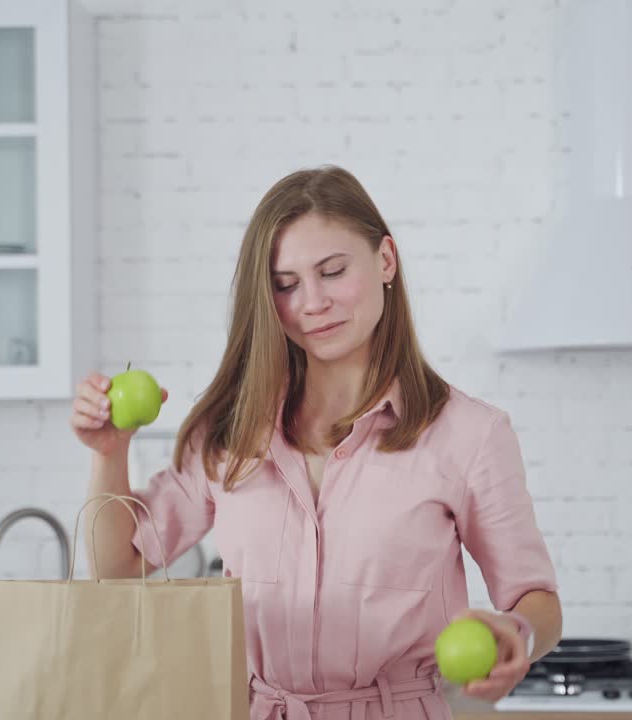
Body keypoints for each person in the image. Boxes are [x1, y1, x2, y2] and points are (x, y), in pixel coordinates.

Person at [69, 165, 561, 719]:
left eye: (332, 271)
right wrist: (109, 452)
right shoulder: (231, 430)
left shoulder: (470, 435)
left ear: (386, 261)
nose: (312, 303)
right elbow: (117, 569)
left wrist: (514, 630)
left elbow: (535, 600)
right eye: (286, 284)